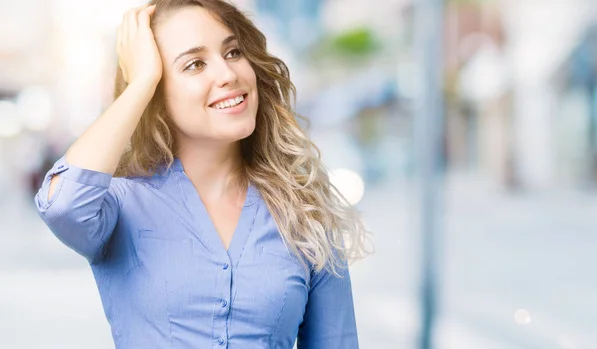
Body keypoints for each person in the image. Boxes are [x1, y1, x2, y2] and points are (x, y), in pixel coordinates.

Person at [35, 0, 370, 348]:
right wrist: (142, 81)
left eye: (233, 52)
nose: (227, 75)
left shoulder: (304, 211)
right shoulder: (120, 205)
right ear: (157, 94)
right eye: (194, 64)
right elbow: (62, 204)